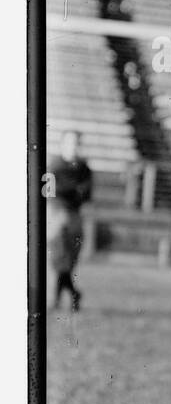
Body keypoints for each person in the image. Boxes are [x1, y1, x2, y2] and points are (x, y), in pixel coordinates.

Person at [48, 130, 93, 312]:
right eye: (70, 142)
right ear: (63, 144)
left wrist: (70, 191)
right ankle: (71, 294)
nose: (73, 146)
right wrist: (72, 191)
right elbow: (50, 191)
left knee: (68, 259)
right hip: (58, 213)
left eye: (76, 143)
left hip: (75, 215)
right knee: (60, 257)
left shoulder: (83, 168)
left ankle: (61, 299)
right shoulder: (55, 165)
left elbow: (86, 194)